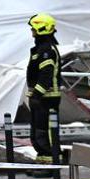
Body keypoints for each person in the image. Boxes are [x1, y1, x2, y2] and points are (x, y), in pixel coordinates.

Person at [27, 14, 63, 166]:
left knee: (46, 132)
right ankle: (42, 160)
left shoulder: (46, 50)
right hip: (41, 97)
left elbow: (45, 76)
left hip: (47, 99)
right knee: (37, 132)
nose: (32, 31)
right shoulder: (41, 49)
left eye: (33, 29)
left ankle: (52, 163)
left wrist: (36, 95)